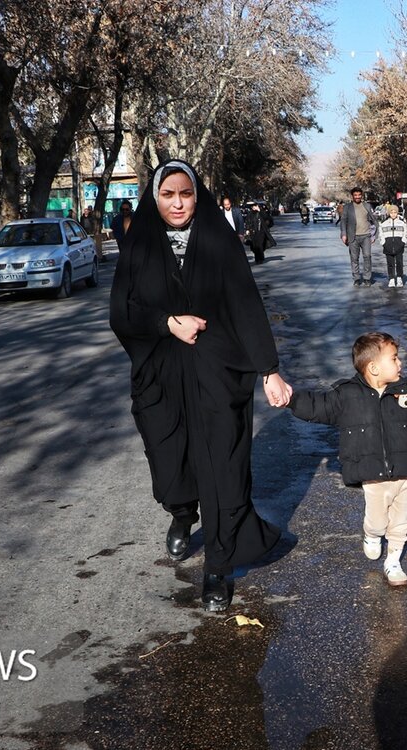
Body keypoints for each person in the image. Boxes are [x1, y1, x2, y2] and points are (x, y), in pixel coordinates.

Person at [109, 159, 292, 612]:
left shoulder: (218, 238)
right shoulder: (139, 244)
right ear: (155, 197)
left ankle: (218, 567)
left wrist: (269, 369)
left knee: (223, 472)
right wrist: (166, 323)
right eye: (168, 194)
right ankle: (181, 513)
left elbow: (246, 305)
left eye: (185, 194)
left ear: (197, 195)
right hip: (161, 377)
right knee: (171, 466)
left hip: (217, 375)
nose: (177, 203)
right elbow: (121, 313)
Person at [287, 332, 407, 587]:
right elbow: (318, 406)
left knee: (401, 522)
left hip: (406, 471)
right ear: (374, 367)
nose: (400, 363)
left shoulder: (405, 391)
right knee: (378, 521)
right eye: (394, 358)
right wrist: (290, 398)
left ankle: (393, 562)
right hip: (373, 476)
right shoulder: (346, 395)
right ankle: (372, 534)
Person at [340, 187, 378, 286]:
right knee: (354, 258)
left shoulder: (367, 206)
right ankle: (356, 278)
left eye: (359, 195)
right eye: (355, 195)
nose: (357, 197)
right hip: (353, 237)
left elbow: (374, 220)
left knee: (367, 256)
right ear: (352, 196)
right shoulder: (347, 207)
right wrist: (344, 234)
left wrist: (374, 236)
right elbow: (343, 221)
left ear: (362, 195)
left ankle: (367, 278)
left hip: (366, 236)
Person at [380, 204, 407, 288]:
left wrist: (403, 242)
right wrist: (383, 243)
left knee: (399, 262)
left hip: (399, 245)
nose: (393, 214)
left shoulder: (401, 223)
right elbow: (381, 234)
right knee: (390, 263)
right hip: (388, 246)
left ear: (397, 213)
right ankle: (391, 278)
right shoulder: (384, 223)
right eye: (391, 212)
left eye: (395, 212)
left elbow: (405, 233)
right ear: (389, 213)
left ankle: (399, 277)